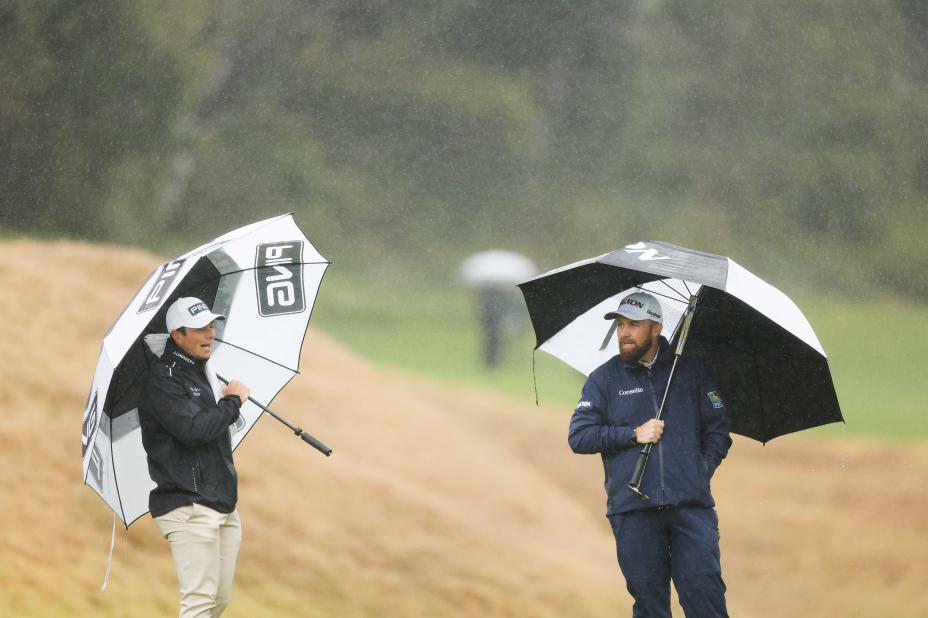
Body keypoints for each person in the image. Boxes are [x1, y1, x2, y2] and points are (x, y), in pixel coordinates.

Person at [568, 292, 732, 617]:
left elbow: (718, 430)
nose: (624, 333)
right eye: (620, 325)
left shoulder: (691, 372)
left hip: (690, 509)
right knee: (650, 609)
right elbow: (579, 436)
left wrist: (700, 471)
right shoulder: (604, 379)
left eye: (633, 325)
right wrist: (632, 434)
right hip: (633, 511)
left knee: (706, 602)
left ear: (656, 329)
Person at [139, 296, 251, 618]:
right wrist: (231, 403)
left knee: (218, 601)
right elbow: (193, 430)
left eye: (211, 326)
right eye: (200, 328)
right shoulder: (162, 379)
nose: (210, 334)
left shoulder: (205, 372)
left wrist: (226, 401)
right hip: (188, 505)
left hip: (221, 503)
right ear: (177, 335)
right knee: (199, 602)